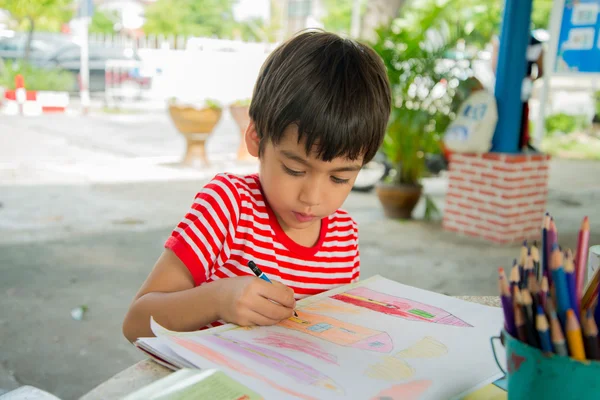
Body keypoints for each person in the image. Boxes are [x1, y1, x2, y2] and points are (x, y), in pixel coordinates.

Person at [122, 30, 392, 342]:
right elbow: (137, 324)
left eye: (339, 178)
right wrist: (217, 299)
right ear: (256, 137)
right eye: (294, 168)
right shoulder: (229, 208)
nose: (312, 198)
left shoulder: (343, 239)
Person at [491, 31, 544, 151]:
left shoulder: (500, 40)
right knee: (521, 116)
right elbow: (541, 71)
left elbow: (494, 67)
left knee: (500, 114)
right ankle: (521, 143)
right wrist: (530, 80)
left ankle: (504, 142)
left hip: (504, 86)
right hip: (524, 86)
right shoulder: (537, 45)